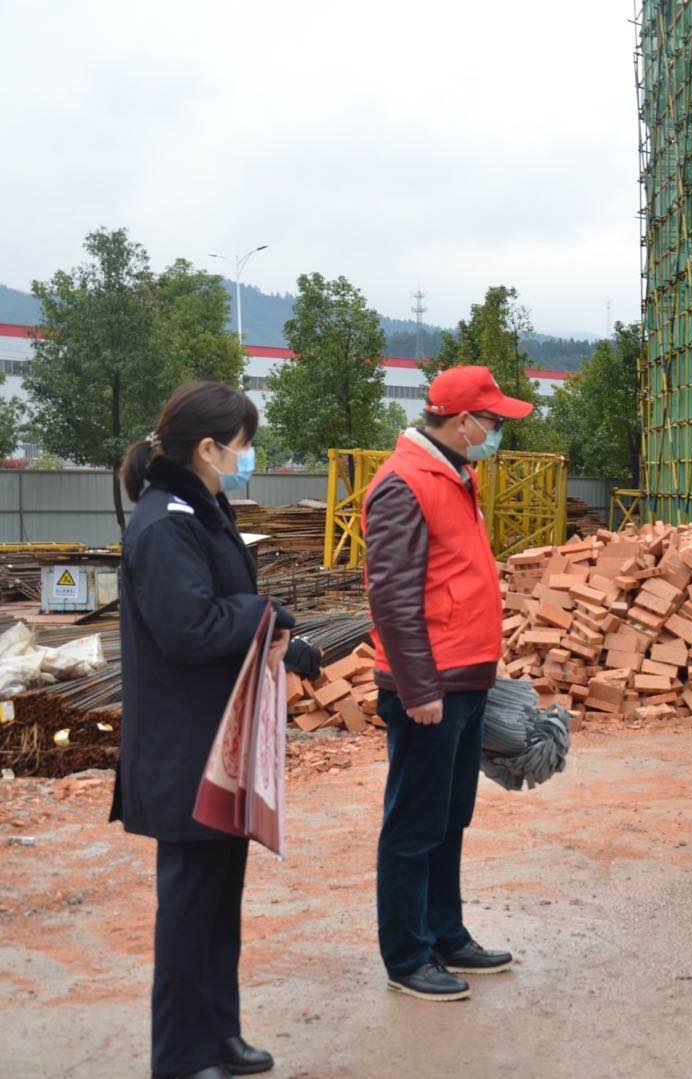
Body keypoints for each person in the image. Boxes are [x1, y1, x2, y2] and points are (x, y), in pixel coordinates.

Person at [113, 381, 321, 1079]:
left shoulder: (202, 510)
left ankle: (220, 1034)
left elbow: (222, 608)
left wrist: (281, 642)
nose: (248, 454)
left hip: (219, 738)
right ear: (207, 447)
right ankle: (179, 1057)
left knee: (218, 902)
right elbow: (190, 626)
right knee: (188, 909)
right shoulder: (165, 522)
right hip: (184, 747)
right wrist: (269, 613)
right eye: (242, 442)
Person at [363, 364, 534, 1000]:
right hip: (428, 687)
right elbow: (393, 597)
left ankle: (445, 933)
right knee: (413, 823)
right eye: (493, 422)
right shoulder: (405, 484)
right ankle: (407, 956)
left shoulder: (456, 476)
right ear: (463, 421)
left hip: (464, 679)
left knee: (449, 816)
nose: (497, 433)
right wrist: (418, 688)